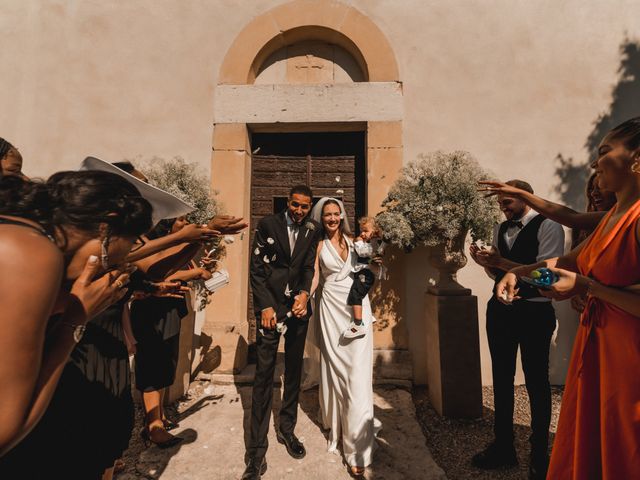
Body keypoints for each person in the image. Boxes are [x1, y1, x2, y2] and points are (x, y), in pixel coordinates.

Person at [496, 117, 640, 478]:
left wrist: (587, 288)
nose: (595, 164)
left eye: (604, 152)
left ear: (637, 158)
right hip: (597, 353)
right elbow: (567, 265)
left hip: (631, 364)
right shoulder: (610, 219)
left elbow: (581, 280)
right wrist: (519, 273)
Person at [0, 171, 152, 457]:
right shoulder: (31, 251)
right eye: (120, 254)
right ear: (106, 226)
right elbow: (6, 429)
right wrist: (75, 318)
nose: (114, 266)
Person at [468, 179, 565, 479]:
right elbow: (498, 275)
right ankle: (503, 448)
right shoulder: (501, 228)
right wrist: (486, 263)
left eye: (508, 202)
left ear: (526, 197)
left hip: (535, 311)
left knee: (536, 382)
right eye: (500, 204)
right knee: (501, 377)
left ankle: (539, 453)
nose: (503, 208)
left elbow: (548, 277)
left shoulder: (550, 226)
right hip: (500, 312)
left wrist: (502, 262)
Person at [243, 185, 321, 480]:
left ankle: (287, 430)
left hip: (298, 311)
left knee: (293, 371)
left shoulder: (312, 229)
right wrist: (264, 307)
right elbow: (257, 270)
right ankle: (256, 454)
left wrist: (304, 295)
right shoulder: (267, 225)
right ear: (288, 203)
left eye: (305, 206)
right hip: (270, 313)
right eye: (295, 205)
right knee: (263, 377)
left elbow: (309, 266)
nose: (299, 210)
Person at [309, 198, 379, 478]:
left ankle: (357, 449)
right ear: (321, 217)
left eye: (337, 213)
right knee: (338, 373)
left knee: (358, 375)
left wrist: (377, 258)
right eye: (328, 214)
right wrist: (303, 297)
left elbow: (371, 266)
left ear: (342, 215)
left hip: (357, 309)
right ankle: (335, 422)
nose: (333, 218)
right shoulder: (316, 245)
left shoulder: (355, 240)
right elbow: (315, 278)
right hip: (330, 311)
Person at [131, 217, 214, 448]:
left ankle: (159, 416)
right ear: (167, 225)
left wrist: (201, 267)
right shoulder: (154, 248)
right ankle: (153, 425)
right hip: (151, 313)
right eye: (181, 219)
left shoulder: (178, 250)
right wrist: (196, 273)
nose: (186, 222)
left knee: (165, 365)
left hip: (170, 312)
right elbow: (162, 277)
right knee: (150, 366)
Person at [343, 216, 384, 339]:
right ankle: (367, 315)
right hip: (362, 273)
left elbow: (362, 252)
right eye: (361, 230)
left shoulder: (374, 244)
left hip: (365, 273)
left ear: (375, 231)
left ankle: (358, 324)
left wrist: (357, 242)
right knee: (360, 295)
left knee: (355, 295)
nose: (362, 233)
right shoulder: (372, 242)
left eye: (365, 230)